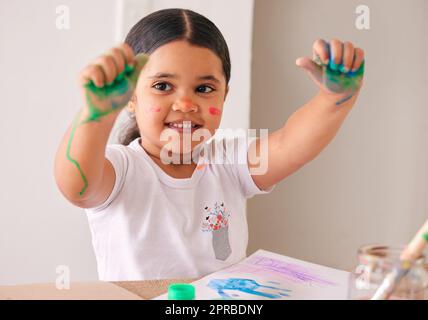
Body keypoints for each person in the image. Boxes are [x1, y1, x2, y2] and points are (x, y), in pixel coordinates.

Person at [54, 8, 365, 281]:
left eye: (204, 88)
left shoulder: (229, 161)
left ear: (224, 96)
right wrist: (95, 115)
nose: (186, 103)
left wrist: (333, 100)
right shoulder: (121, 169)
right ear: (132, 97)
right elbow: (77, 186)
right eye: (163, 86)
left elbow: (289, 145)